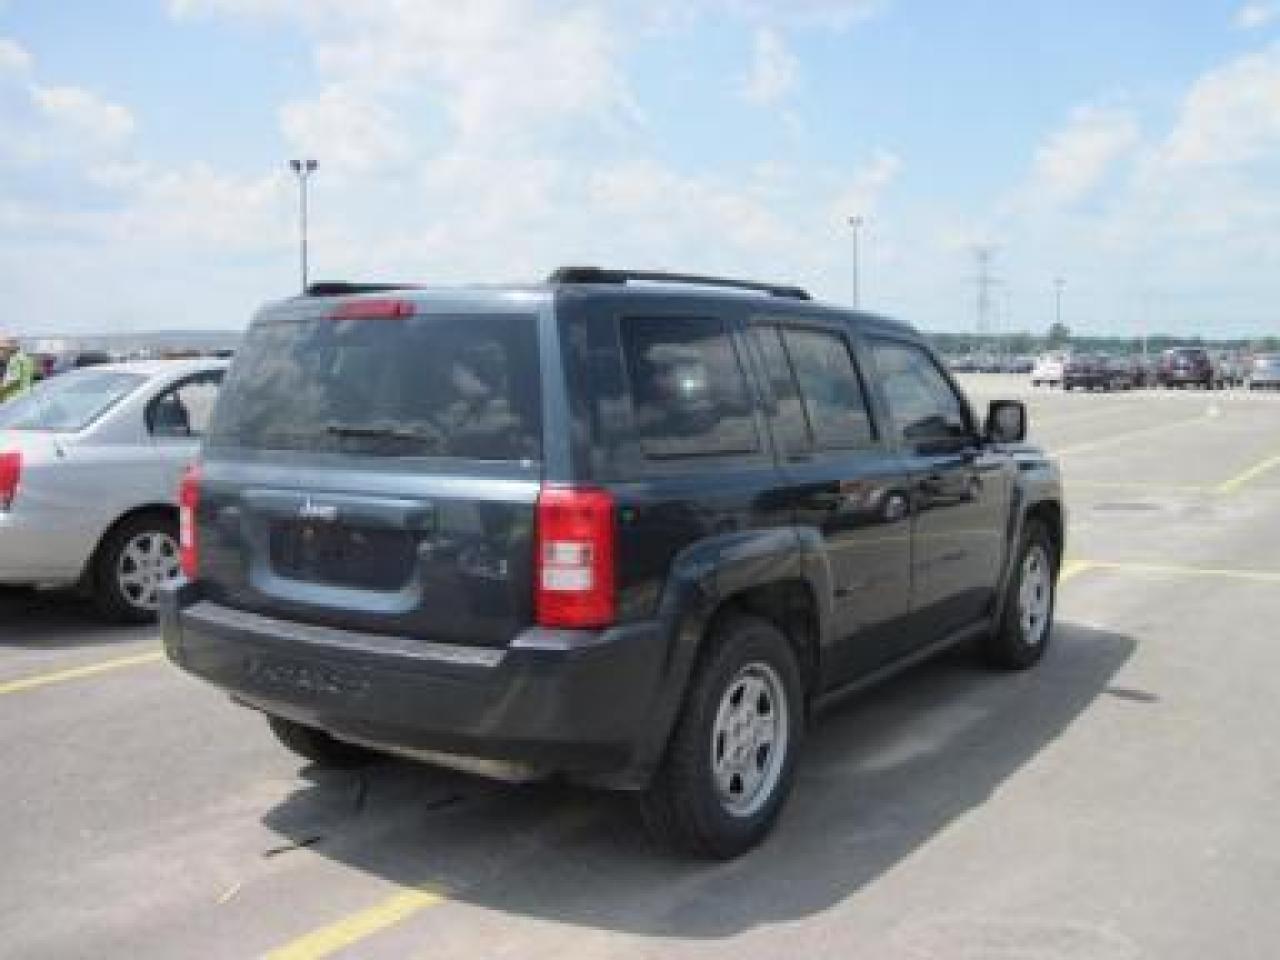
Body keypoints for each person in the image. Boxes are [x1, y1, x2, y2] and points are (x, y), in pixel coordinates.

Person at [0, 337, 35, 404]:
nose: (2, 352)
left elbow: (14, 382)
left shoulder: (17, 360)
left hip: (14, 396)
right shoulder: (18, 359)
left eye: (3, 349)